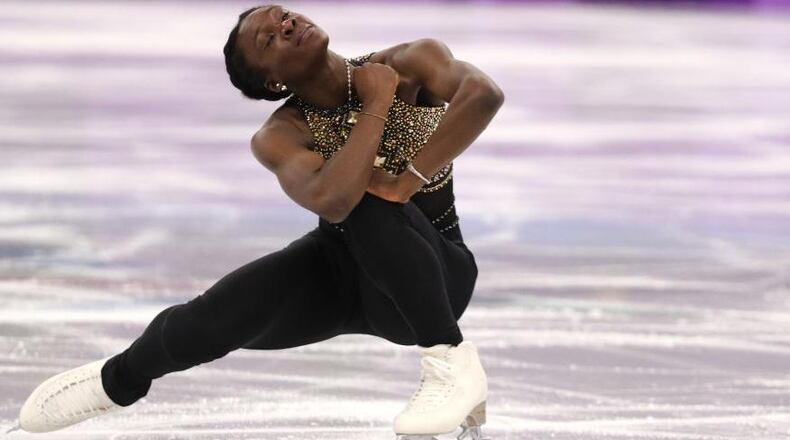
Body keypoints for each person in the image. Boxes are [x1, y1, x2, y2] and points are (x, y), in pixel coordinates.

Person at [15, 4, 504, 439]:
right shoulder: (279, 135)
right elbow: (332, 201)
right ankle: (116, 380)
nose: (287, 25)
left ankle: (450, 360)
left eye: (283, 15)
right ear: (274, 82)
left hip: (436, 274)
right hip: (338, 273)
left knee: (371, 198)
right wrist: (376, 105)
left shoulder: (410, 62)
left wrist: (406, 182)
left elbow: (483, 93)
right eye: (270, 38)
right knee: (208, 319)